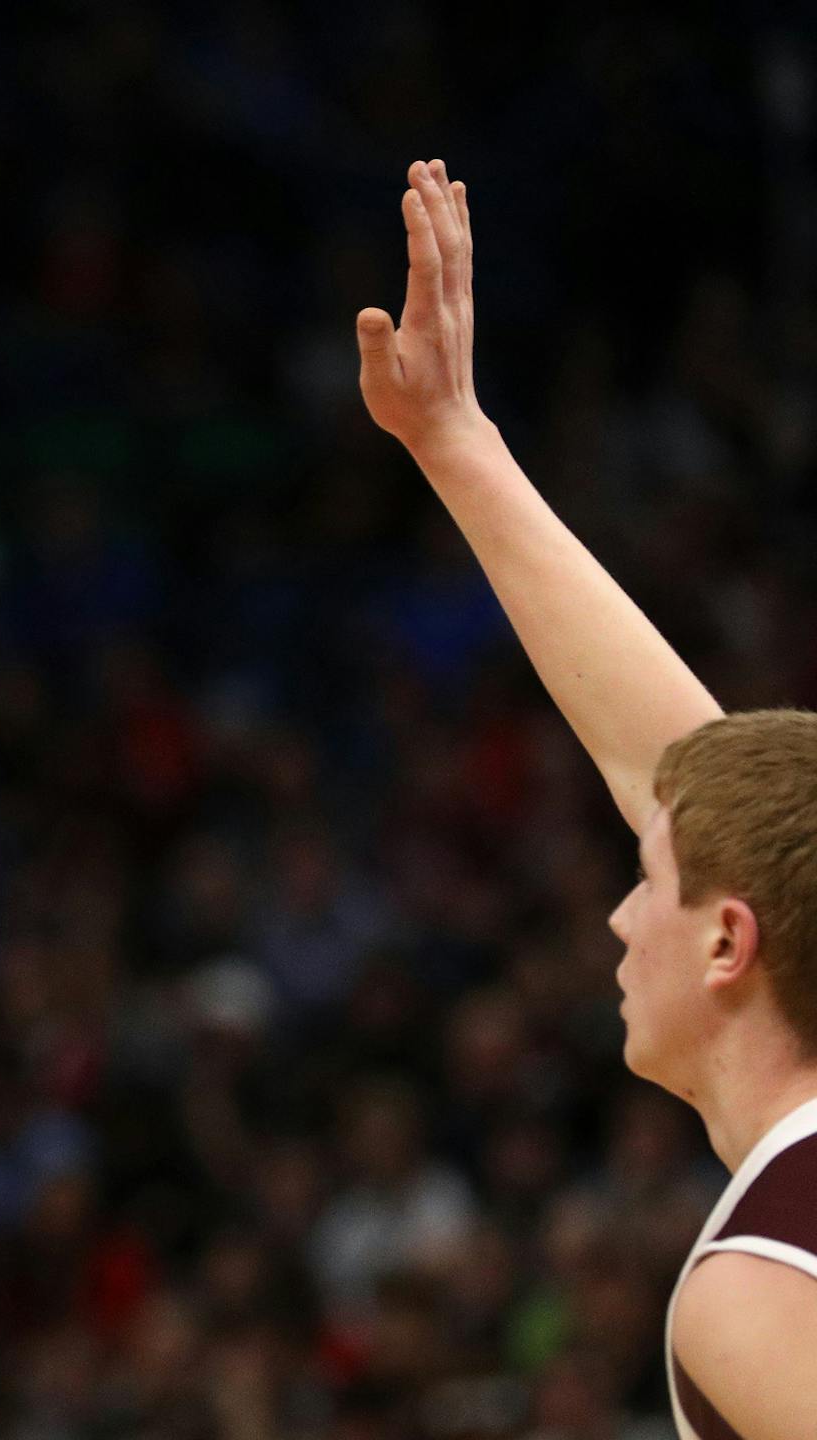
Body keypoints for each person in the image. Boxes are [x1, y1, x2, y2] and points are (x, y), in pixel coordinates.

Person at [358, 159, 817, 1439]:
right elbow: (685, 771)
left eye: (646, 881)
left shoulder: (761, 1283)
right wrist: (454, 440)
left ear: (729, 940)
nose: (617, 921)